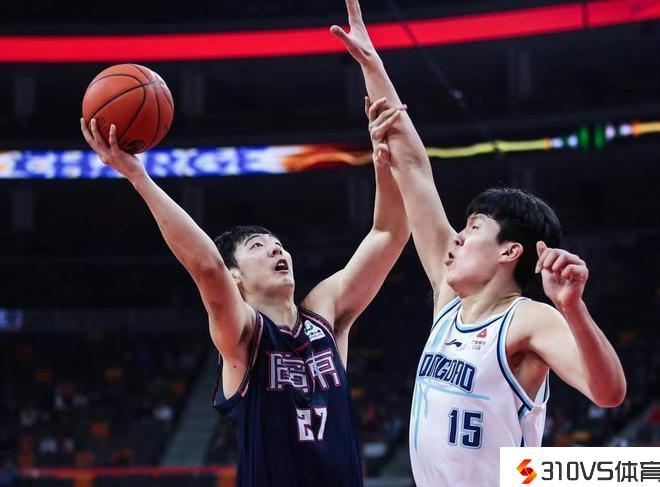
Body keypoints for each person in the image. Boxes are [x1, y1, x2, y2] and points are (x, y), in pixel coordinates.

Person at [331, 1, 627, 485]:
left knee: (630, 472)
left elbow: (609, 394)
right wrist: (372, 65)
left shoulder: (528, 319)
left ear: (510, 251)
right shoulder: (449, 301)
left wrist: (573, 309)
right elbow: (414, 168)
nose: (455, 238)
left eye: (472, 229)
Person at [80, 101, 408, 486]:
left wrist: (384, 161)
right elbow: (207, 266)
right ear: (235, 277)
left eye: (278, 245)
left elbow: (389, 234)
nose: (276, 250)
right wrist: (138, 176)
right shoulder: (243, 336)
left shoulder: (325, 314)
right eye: (257, 246)